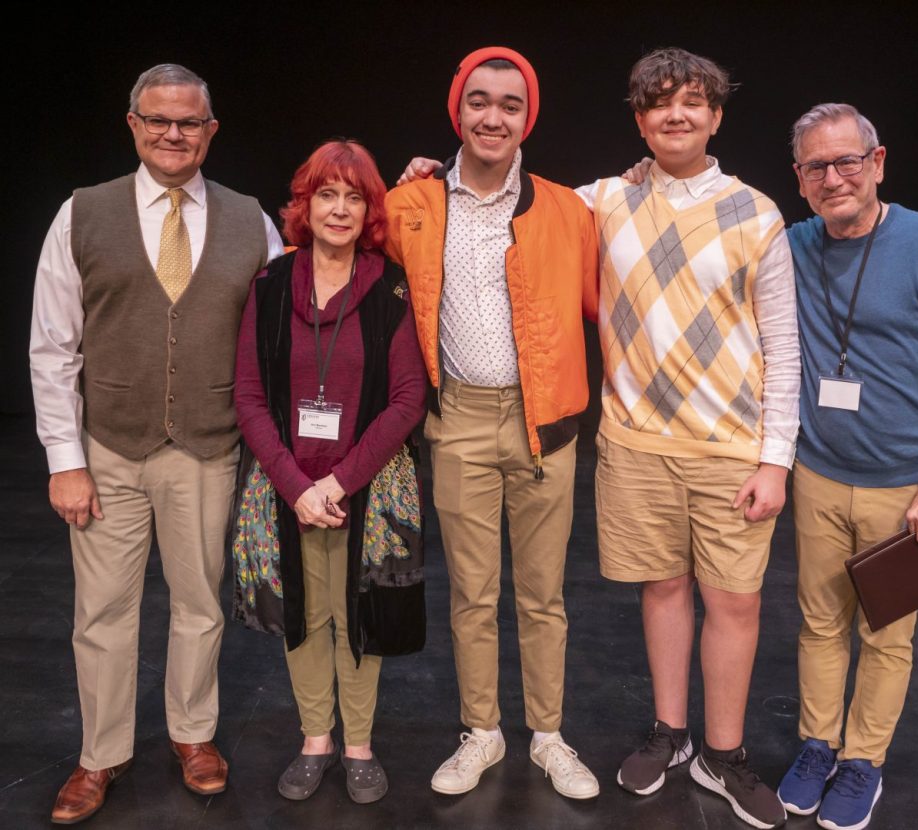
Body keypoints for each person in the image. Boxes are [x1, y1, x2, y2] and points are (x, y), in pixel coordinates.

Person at [29, 63, 283, 824]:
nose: (174, 134)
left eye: (190, 122)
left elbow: (278, 334)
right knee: (103, 611)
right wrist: (65, 462)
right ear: (134, 125)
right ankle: (100, 754)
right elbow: (52, 349)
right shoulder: (82, 214)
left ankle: (193, 733)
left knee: (200, 603)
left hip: (205, 448)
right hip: (107, 448)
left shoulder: (250, 220)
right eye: (159, 120)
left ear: (211, 132)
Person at [584, 48, 798, 829]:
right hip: (637, 444)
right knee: (663, 588)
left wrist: (776, 459)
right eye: (660, 102)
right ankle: (671, 734)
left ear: (716, 115)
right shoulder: (605, 198)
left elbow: (784, 344)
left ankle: (724, 754)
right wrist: (428, 168)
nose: (677, 113)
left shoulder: (757, 212)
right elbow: (506, 200)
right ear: (640, 119)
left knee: (733, 603)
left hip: (732, 450)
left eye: (693, 101)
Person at [385, 46, 601, 799]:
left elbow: (609, 306)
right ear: (458, 110)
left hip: (546, 425)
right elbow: (347, 268)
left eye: (511, 104)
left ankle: (548, 734)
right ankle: (481, 731)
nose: (493, 116)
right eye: (480, 100)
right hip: (460, 424)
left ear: (527, 117)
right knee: (472, 594)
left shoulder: (569, 210)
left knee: (543, 595)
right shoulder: (409, 205)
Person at [778, 103, 918, 830]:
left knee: (886, 632)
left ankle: (862, 760)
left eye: (847, 161)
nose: (833, 177)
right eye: (816, 166)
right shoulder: (795, 243)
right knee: (817, 622)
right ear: (799, 177)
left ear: (878, 163)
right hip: (818, 472)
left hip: (905, 485)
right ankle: (817, 744)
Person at [234, 139, 427, 803]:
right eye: (326, 194)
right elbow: (249, 398)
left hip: (363, 489)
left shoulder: (390, 285)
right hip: (288, 490)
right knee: (304, 617)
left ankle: (358, 745)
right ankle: (315, 738)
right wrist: (295, 487)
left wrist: (337, 483)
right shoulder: (269, 283)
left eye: (354, 197)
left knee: (357, 617)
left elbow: (408, 398)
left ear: (370, 209)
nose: (339, 209)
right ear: (305, 205)